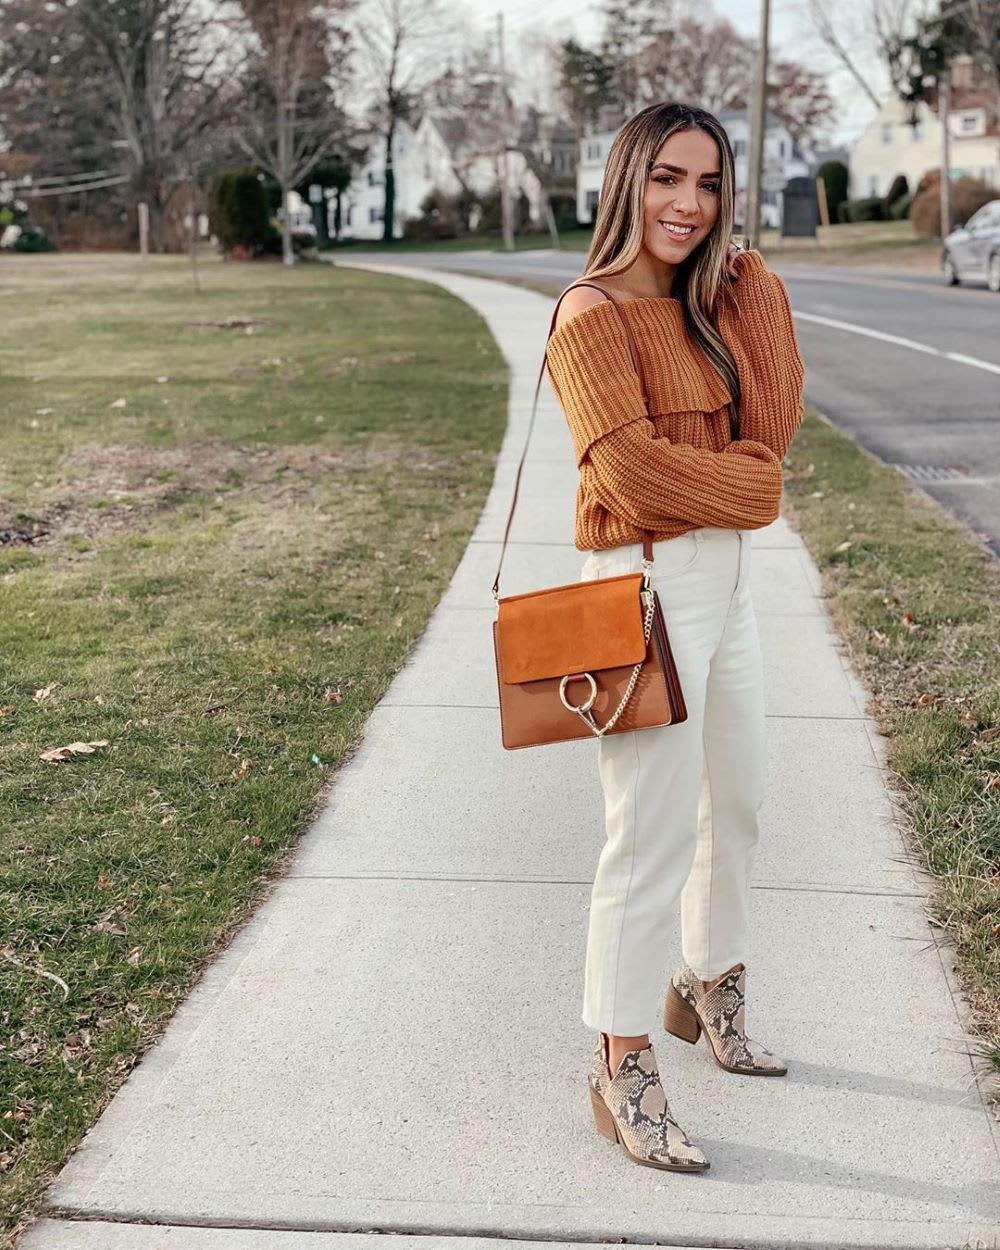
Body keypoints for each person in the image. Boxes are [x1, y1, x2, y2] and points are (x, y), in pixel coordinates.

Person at [544, 101, 805, 1172]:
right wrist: (745, 488)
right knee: (646, 828)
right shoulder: (589, 313)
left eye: (706, 184)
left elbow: (773, 431)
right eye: (666, 178)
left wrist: (755, 285)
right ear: (626, 181)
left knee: (734, 798)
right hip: (637, 586)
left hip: (725, 584)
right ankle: (619, 1056)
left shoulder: (719, 302)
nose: (686, 204)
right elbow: (633, 474)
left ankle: (711, 975)